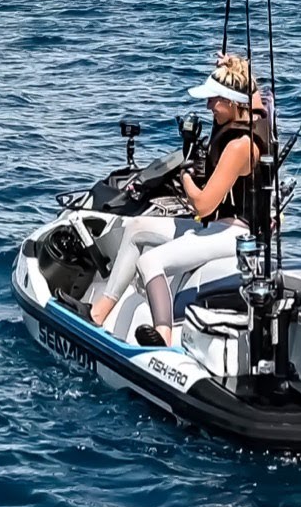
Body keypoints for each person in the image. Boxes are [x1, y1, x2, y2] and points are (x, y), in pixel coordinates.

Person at [79, 53, 272, 347]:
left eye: (213, 100)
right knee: (136, 229)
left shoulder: (240, 146)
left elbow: (204, 205)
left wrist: (185, 177)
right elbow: (252, 90)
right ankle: (98, 313)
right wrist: (230, 63)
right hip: (218, 227)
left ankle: (163, 336)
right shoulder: (254, 113)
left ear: (232, 101)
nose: (208, 106)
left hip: (235, 233)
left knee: (151, 261)